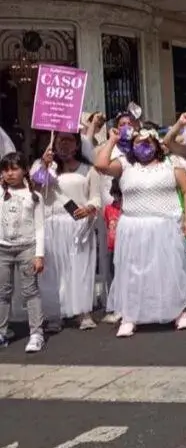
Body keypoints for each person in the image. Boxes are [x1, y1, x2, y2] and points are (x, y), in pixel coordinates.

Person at [93, 126, 186, 338]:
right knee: (133, 272)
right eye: (138, 142)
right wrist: (112, 139)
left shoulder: (172, 163)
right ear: (132, 145)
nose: (144, 146)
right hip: (133, 227)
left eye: (148, 142)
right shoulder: (125, 164)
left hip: (165, 225)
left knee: (170, 270)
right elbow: (100, 165)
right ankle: (130, 316)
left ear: (157, 143)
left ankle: (178, 312)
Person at [30, 133, 102, 330]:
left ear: (77, 144)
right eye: (60, 140)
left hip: (78, 224)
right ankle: (55, 313)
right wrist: (45, 166)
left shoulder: (89, 169)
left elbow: (96, 198)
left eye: (69, 140)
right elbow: (34, 189)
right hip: (52, 223)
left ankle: (82, 312)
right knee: (54, 270)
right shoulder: (44, 166)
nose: (64, 144)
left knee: (79, 268)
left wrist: (88, 208)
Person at [0, 153, 45, 352]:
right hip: (3, 250)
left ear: (24, 170)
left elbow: (40, 228)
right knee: (3, 292)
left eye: (14, 169)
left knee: (30, 291)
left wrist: (39, 254)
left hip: (27, 249)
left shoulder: (34, 196)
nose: (10, 173)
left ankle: (36, 333)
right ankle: (2, 331)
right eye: (5, 169)